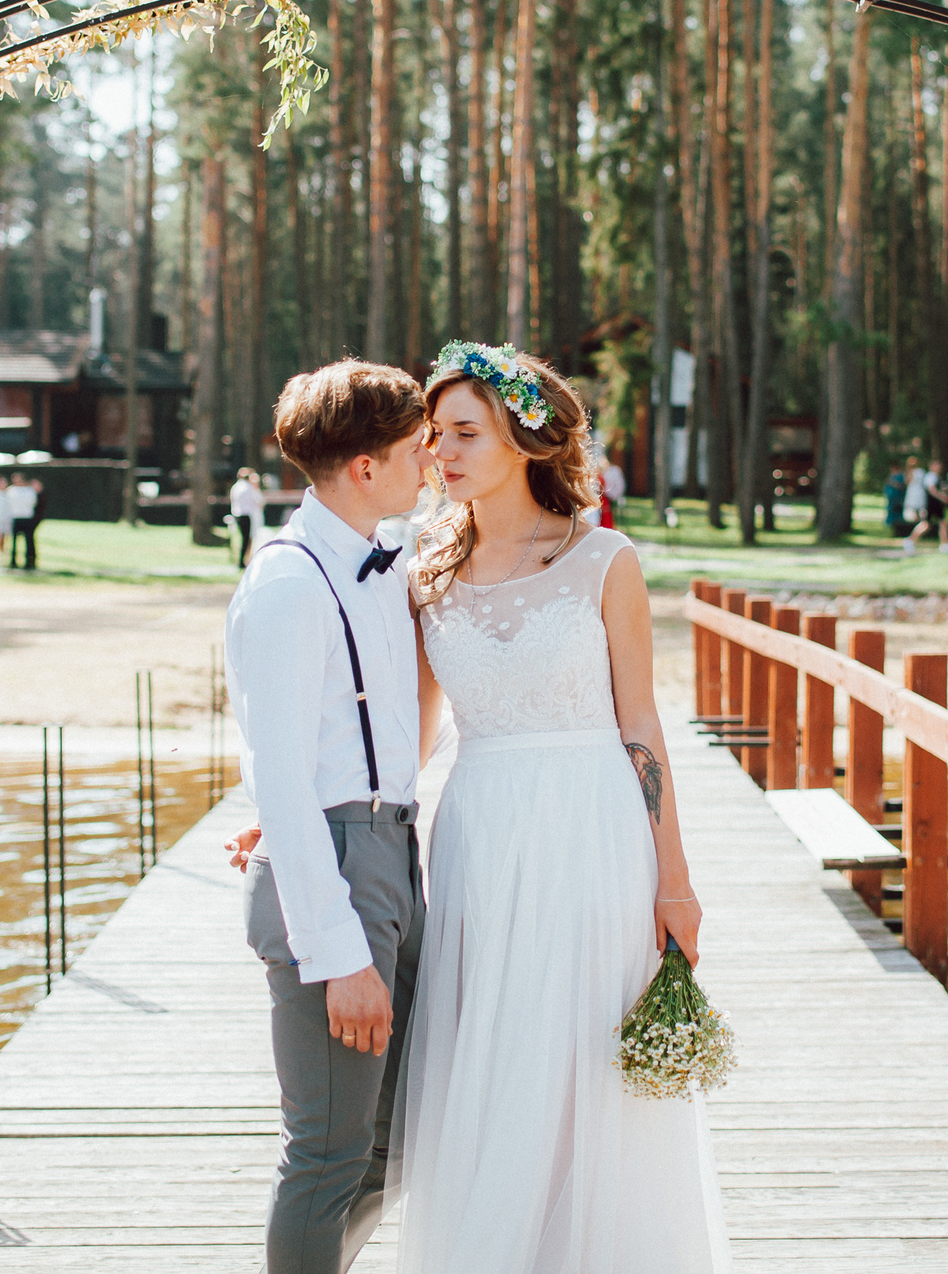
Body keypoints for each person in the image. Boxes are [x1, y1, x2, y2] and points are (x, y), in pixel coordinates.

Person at [397, 342, 725, 1270]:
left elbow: (643, 727)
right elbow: (412, 745)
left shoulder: (604, 561)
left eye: (465, 431)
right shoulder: (427, 574)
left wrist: (675, 881)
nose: (442, 452)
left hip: (593, 832)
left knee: (584, 1063)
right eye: (435, 435)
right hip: (479, 837)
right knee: (493, 1061)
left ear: (525, 437)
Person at [224, 360, 435, 1274]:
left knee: (393, 1145)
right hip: (336, 881)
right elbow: (280, 768)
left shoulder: (378, 562)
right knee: (325, 1154)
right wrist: (339, 950)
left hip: (393, 853)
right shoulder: (288, 584)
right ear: (364, 468)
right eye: (416, 450)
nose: (429, 465)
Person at [230, 464, 265, 568]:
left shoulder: (235, 487)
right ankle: (242, 561)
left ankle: (242, 559)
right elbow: (255, 501)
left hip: (237, 514)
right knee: (246, 539)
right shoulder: (247, 488)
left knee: (244, 538)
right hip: (246, 514)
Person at [6, 473, 39, 569]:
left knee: (29, 541)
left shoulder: (29, 491)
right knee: (14, 541)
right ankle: (13, 561)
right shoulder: (11, 490)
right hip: (15, 517)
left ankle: (30, 561)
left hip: (27, 518)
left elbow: (33, 503)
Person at [901, 456, 930, 555]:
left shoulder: (918, 472)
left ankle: (911, 540)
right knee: (924, 523)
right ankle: (911, 540)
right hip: (916, 499)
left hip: (916, 498)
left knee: (923, 522)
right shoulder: (917, 472)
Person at [924, 456, 948, 553]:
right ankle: (910, 540)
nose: (940, 467)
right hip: (933, 503)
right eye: (937, 465)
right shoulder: (931, 476)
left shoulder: (937, 477)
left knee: (942, 523)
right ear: (932, 466)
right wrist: (943, 497)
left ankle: (944, 544)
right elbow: (932, 490)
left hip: (936, 504)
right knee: (927, 524)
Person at [598, 451, 628, 530]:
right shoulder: (598, 472)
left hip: (607, 497)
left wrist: (611, 494)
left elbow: (619, 485)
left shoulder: (614, 471)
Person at [883, 462, 909, 537]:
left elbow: (902, 486)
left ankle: (899, 531)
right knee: (891, 512)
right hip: (891, 498)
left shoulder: (901, 476)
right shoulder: (891, 476)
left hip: (897, 498)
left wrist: (893, 483)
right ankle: (891, 528)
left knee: (897, 514)